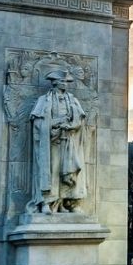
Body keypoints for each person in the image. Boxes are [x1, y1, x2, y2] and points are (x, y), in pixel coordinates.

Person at [28, 70, 88, 213]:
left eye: (67, 82)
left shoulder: (73, 100)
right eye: (62, 81)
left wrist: (71, 125)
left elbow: (80, 119)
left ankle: (66, 202)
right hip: (52, 142)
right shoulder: (44, 100)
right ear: (55, 83)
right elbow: (37, 122)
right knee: (52, 170)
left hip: (69, 140)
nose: (65, 84)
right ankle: (47, 203)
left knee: (69, 171)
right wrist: (55, 124)